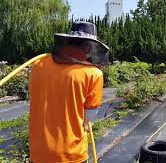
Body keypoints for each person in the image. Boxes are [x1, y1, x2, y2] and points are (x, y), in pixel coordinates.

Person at [29, 22, 109, 163]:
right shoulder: (93, 74)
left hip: (38, 152)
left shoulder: (39, 64)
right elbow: (88, 118)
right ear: (88, 46)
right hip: (71, 154)